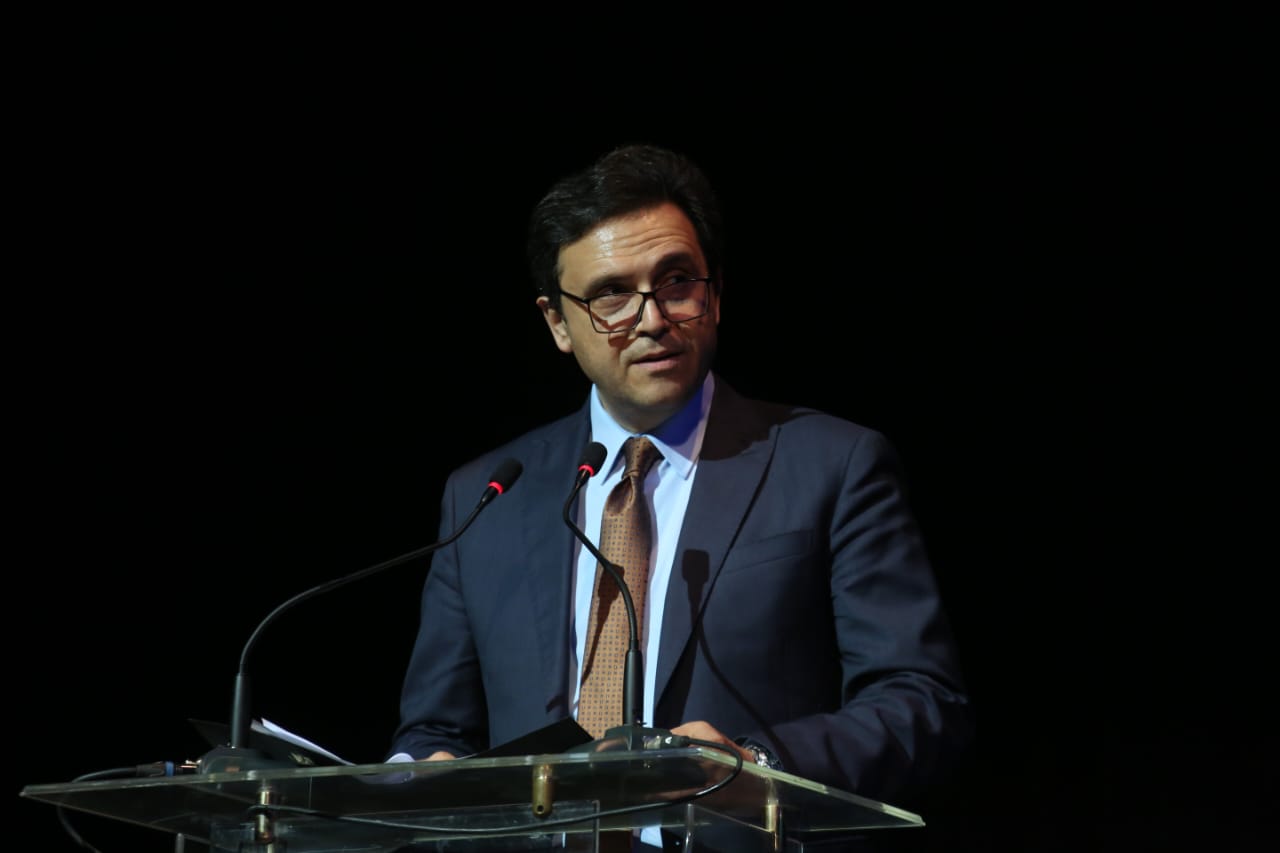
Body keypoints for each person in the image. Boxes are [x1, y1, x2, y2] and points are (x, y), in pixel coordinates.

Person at [388, 143, 973, 849]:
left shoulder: (832, 466)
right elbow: (435, 729)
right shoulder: (486, 496)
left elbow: (919, 704)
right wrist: (424, 770)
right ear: (557, 323)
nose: (652, 318)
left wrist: (755, 766)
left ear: (715, 293)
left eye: (675, 282)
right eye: (611, 294)